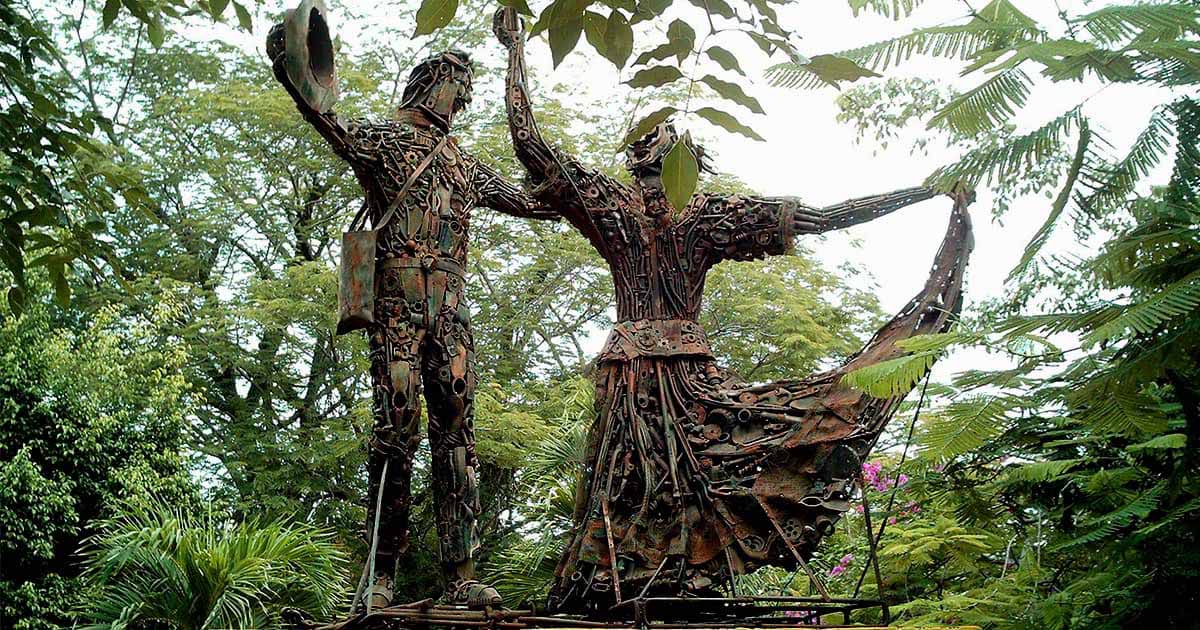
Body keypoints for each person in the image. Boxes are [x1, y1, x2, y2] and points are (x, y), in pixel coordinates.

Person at [493, 7, 974, 612]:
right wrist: (514, 50)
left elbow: (820, 218)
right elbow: (531, 146)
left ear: (683, 156)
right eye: (645, 141)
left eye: (660, 139)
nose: (649, 146)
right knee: (634, 479)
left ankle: (668, 583)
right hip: (645, 376)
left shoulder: (686, 215)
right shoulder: (633, 208)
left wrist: (924, 191)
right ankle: (641, 583)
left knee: (681, 468)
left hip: (653, 373)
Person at [268, 12, 556, 609]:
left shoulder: (461, 162)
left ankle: (460, 575)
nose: (465, 100)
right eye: (460, 86)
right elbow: (330, 119)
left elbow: (530, 202)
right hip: (398, 306)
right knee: (394, 431)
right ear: (434, 83)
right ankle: (379, 576)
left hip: (450, 308)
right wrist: (297, 63)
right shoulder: (389, 140)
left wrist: (517, 65)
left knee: (457, 436)